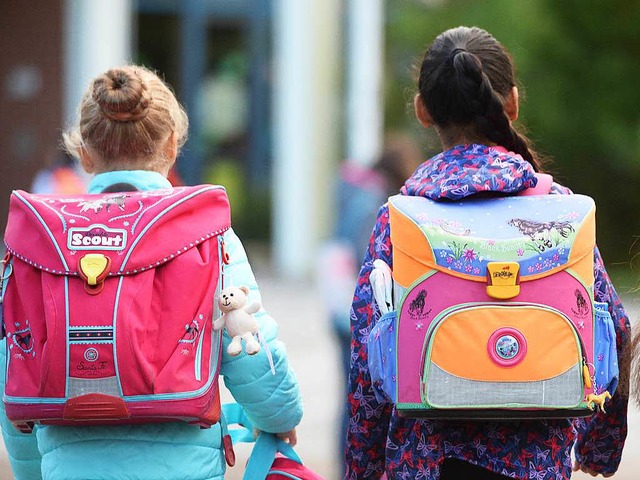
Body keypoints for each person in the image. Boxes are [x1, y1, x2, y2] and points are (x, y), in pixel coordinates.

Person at [344, 26, 630, 480]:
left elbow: (367, 350)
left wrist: (363, 466)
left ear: (422, 110)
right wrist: (600, 450)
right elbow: (612, 326)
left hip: (429, 460)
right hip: (536, 462)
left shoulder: (402, 219)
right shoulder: (560, 211)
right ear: (512, 102)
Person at [0, 65, 302, 480]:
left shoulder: (42, 242)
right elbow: (247, 337)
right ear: (172, 144)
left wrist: (33, 469)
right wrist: (279, 417)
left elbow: (14, 361)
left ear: (84, 152)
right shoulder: (203, 231)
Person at [317, 134, 422, 474]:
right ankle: (352, 468)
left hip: (338, 308)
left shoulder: (357, 194)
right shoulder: (376, 206)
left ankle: (344, 466)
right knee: (362, 397)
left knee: (350, 394)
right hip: (358, 313)